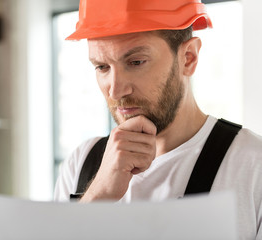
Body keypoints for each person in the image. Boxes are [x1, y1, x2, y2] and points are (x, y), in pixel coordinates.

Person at [54, 0, 262, 239]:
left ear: (188, 58)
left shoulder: (253, 167)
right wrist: (96, 196)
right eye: (102, 67)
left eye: (135, 62)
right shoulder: (82, 164)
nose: (115, 91)